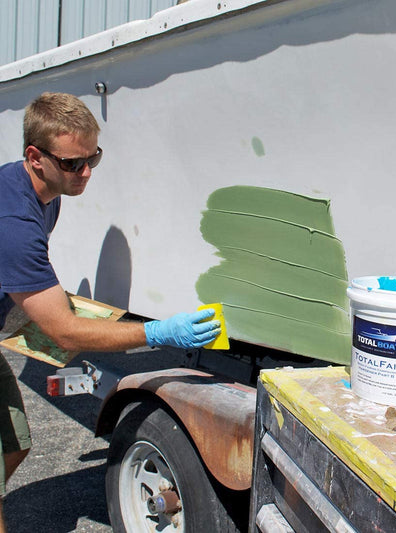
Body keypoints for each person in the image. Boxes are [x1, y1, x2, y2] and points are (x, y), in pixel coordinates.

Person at [0, 92, 220, 531]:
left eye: (93, 159)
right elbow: (64, 333)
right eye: (72, 163)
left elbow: (27, 277)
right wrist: (156, 332)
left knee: (15, 445)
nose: (85, 173)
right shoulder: (15, 225)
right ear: (34, 157)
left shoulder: (47, 193)